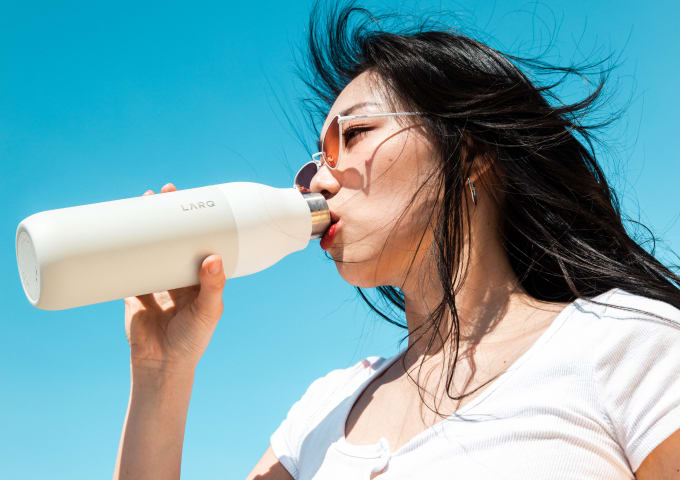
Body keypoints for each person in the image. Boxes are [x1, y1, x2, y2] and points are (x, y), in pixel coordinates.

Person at [113, 2, 680, 479]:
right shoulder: (321, 412)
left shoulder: (629, 348)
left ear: (470, 154)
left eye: (354, 134)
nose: (319, 181)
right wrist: (162, 370)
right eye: (312, 164)